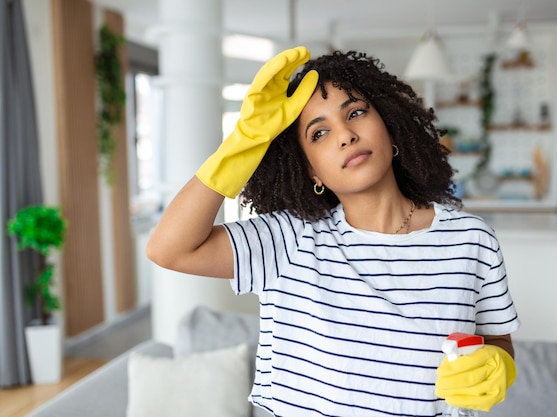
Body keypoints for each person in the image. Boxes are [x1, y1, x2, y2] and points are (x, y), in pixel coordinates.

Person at [147, 46, 520, 417]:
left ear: (389, 127)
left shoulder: (472, 240)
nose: (345, 135)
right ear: (311, 171)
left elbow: (495, 339)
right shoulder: (289, 240)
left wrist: (498, 363)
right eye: (319, 133)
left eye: (356, 112)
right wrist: (241, 145)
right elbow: (170, 249)